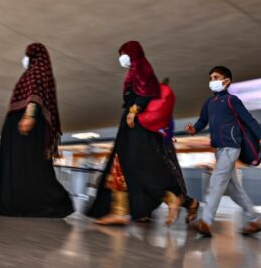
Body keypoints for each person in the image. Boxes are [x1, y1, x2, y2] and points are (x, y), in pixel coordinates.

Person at [87, 41, 184, 225]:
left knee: (133, 165)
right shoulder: (135, 70)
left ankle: (170, 198)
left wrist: (134, 109)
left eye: (124, 53)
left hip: (136, 123)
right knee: (123, 165)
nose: (121, 57)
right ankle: (120, 211)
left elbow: (148, 92)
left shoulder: (142, 67)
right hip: (132, 123)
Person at [0, 43, 74, 217]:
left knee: (25, 164)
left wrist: (29, 116)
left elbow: (35, 95)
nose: (25, 58)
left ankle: (51, 202)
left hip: (27, 126)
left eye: (28, 54)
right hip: (18, 124)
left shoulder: (38, 71)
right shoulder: (32, 73)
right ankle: (9, 204)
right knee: (16, 163)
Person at [185, 66, 261, 237]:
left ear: (226, 81)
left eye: (216, 77)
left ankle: (206, 221)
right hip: (219, 149)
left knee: (216, 182)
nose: (212, 81)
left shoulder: (231, 100)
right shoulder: (209, 103)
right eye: (211, 77)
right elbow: (202, 120)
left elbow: (248, 119)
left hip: (231, 146)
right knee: (234, 190)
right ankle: (255, 219)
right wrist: (193, 130)